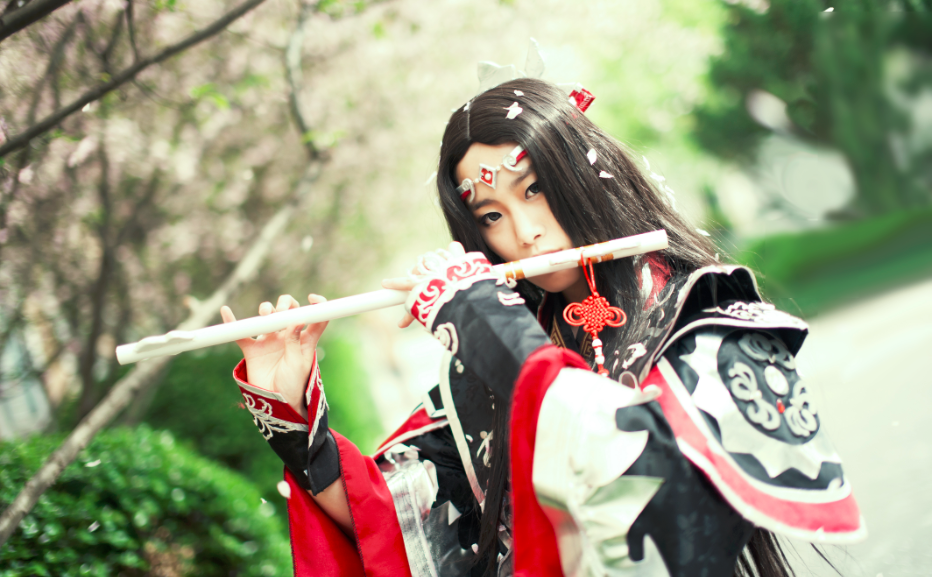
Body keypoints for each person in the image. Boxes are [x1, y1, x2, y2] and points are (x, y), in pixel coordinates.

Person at [222, 77, 865, 577]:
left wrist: (481, 322)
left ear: (582, 177)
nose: (525, 233)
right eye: (491, 216)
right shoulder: (486, 359)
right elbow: (401, 526)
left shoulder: (701, 312)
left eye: (533, 190)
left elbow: (660, 501)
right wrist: (292, 418)